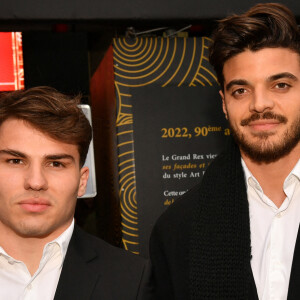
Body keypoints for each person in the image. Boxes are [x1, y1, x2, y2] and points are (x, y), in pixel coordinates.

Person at [149, 3, 300, 299]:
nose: (260, 104)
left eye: (280, 85)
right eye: (240, 91)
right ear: (223, 103)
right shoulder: (178, 229)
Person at [0, 86, 147, 300]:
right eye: (15, 161)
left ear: (82, 181)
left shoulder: (134, 280)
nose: (35, 182)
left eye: (56, 163)